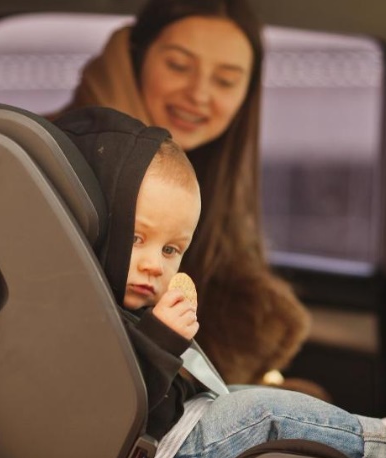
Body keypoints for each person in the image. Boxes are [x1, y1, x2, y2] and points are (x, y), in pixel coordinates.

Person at [53, 105, 386, 458]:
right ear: (96, 226)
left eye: (170, 250)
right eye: (137, 237)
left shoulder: (119, 308)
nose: (153, 265)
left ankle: (382, 433)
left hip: (163, 445)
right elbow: (110, 406)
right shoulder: (77, 314)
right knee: (258, 413)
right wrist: (160, 341)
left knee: (249, 397)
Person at [52, 0, 314, 388]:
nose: (199, 94)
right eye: (178, 66)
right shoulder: (63, 168)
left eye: (225, 80)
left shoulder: (210, 181)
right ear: (134, 60)